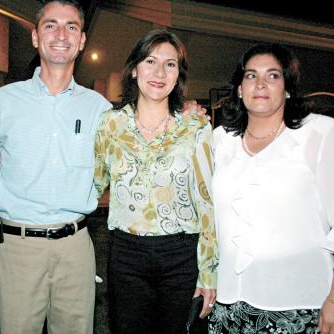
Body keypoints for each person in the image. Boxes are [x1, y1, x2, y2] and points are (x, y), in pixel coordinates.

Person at [0, 1, 112, 333]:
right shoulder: (2, 102)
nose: (61, 34)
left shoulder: (99, 109)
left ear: (82, 40)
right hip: (16, 248)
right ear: (35, 37)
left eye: (71, 26)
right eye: (50, 25)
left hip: (76, 247)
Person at [209, 43, 334, 334]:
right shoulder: (221, 140)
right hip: (229, 303)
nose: (260, 84)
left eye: (272, 76)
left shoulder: (320, 132)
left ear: (287, 88)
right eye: (250, 75)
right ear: (238, 89)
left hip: (299, 304)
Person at [94, 29, 218, 334]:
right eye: (150, 61)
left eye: (170, 64)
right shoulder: (111, 123)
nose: (159, 72)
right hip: (126, 255)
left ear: (179, 74)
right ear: (134, 69)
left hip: (181, 256)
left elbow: (207, 201)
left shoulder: (196, 125)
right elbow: (93, 183)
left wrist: (209, 273)